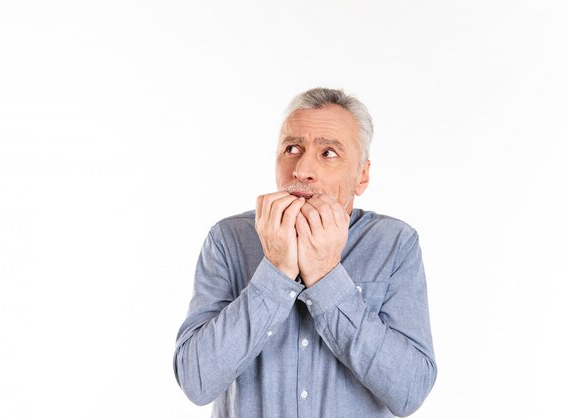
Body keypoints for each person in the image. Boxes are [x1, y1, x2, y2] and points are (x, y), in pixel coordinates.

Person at [173, 88, 437, 417]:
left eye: (328, 153)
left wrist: (327, 277)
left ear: (362, 175)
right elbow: (197, 382)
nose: (301, 170)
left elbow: (409, 391)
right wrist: (275, 272)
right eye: (292, 148)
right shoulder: (228, 239)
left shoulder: (395, 244)